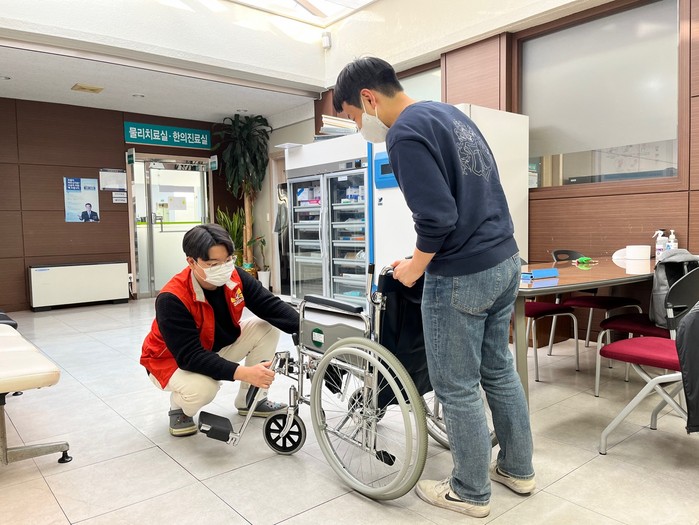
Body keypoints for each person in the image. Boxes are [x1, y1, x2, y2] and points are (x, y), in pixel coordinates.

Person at [333, 57, 535, 518]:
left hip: (462, 273)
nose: (359, 126)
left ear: (368, 98)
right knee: (498, 371)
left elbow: (438, 217)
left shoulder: (403, 134)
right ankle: (518, 468)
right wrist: (420, 257)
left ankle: (470, 491)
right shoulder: (449, 115)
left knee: (456, 386)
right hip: (504, 259)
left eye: (352, 116)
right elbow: (475, 195)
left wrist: (415, 267)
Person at [140, 223, 298, 437]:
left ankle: (251, 400)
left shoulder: (235, 277)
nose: (223, 268)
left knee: (267, 327)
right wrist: (245, 373)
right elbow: (190, 356)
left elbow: (271, 306)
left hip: (212, 346)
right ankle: (179, 408)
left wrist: (313, 333)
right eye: (213, 264)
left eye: (227, 260)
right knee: (204, 389)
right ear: (191, 262)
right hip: (171, 361)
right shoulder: (172, 298)